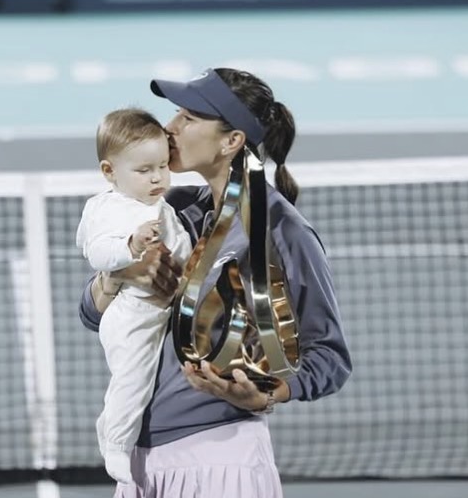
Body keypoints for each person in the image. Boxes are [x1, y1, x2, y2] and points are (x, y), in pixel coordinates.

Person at [78, 68, 352, 497]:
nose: (169, 128)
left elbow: (329, 357)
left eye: (188, 118)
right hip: (141, 461)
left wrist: (264, 395)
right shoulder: (172, 209)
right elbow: (91, 315)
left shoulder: (283, 232)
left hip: (220, 458)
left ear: (232, 141)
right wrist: (117, 278)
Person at [77, 108, 194, 484]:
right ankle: (115, 443)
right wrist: (130, 246)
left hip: (164, 310)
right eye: (144, 171)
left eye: (162, 165)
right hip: (133, 314)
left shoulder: (159, 202)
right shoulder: (111, 209)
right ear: (109, 172)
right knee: (133, 379)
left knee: (143, 379)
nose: (158, 176)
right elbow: (97, 253)